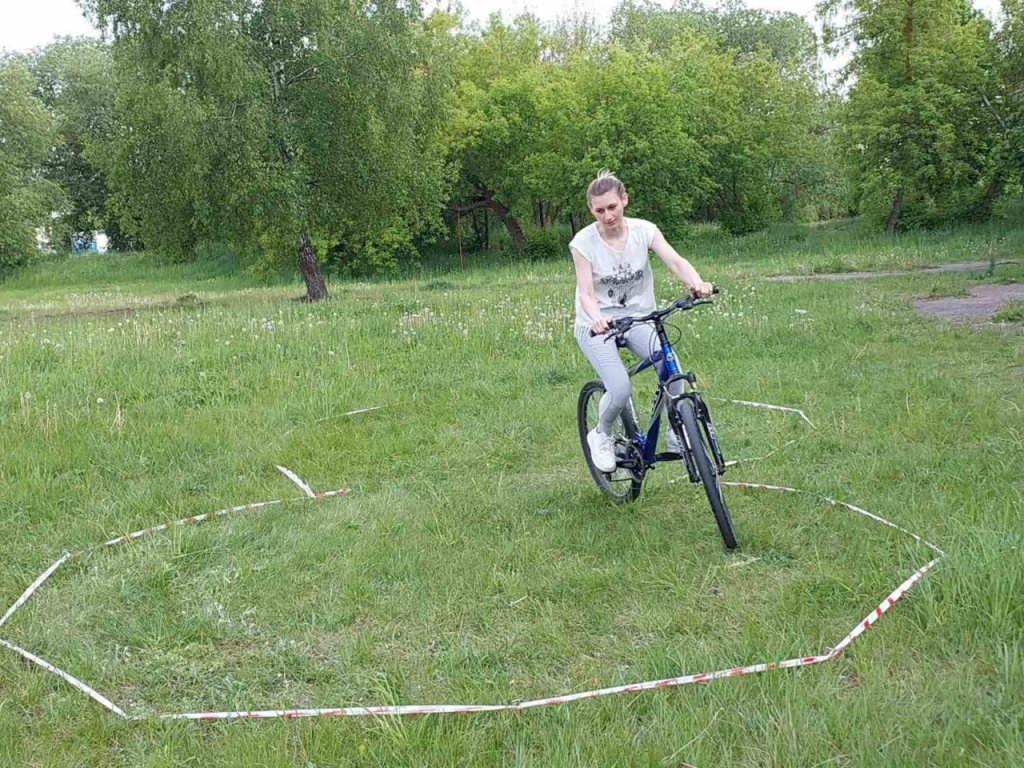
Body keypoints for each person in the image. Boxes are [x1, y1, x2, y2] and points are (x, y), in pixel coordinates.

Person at [572, 170, 713, 473]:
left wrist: (697, 283)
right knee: (620, 388)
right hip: (597, 325)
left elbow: (674, 260)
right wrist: (597, 319)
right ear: (591, 210)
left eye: (612, 206)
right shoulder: (583, 242)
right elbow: (585, 292)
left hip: (638, 319)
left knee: (670, 368)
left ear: (624, 200)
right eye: (599, 210)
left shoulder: (644, 230)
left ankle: (679, 432)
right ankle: (602, 434)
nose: (607, 215)